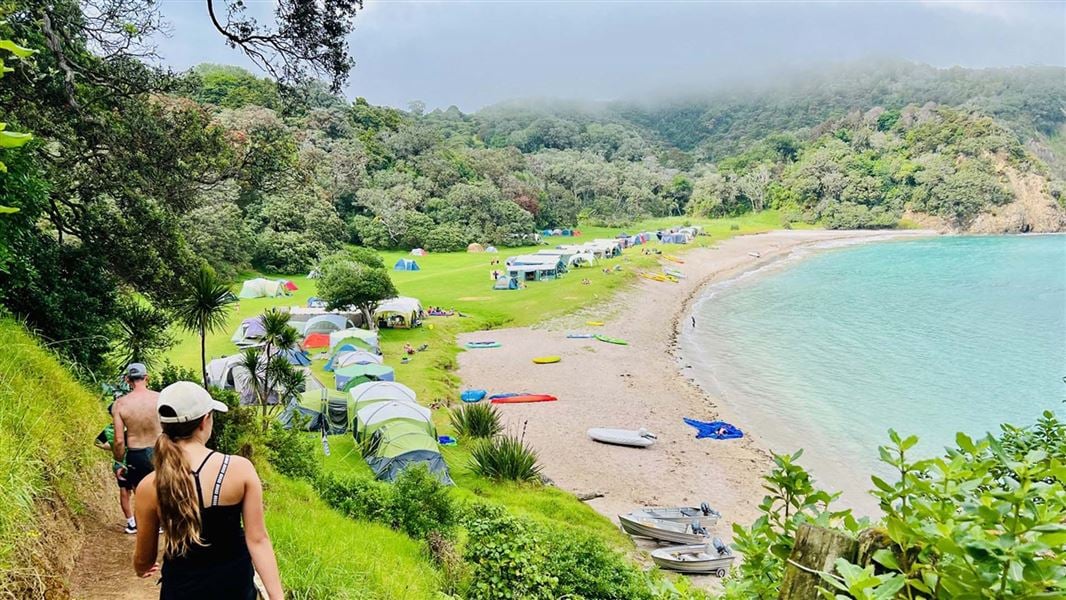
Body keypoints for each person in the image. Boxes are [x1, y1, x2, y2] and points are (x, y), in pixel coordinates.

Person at [133, 382, 284, 600]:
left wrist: (141, 568)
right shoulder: (239, 470)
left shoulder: (150, 485)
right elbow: (258, 539)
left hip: (181, 590)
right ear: (205, 421)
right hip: (234, 588)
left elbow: (144, 560)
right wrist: (277, 596)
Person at [112, 363, 161, 534]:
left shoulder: (120, 404)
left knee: (140, 492)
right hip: (160, 450)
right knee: (162, 488)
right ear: (146, 377)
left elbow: (119, 440)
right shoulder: (160, 399)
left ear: (127, 380)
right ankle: (161, 522)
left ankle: (144, 526)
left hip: (136, 454)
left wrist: (119, 462)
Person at [94, 403, 134, 532]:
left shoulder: (109, 429)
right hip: (135, 461)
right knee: (140, 491)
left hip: (119, 463)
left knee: (124, 491)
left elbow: (97, 442)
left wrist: (113, 447)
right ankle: (147, 521)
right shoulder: (132, 427)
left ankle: (131, 523)